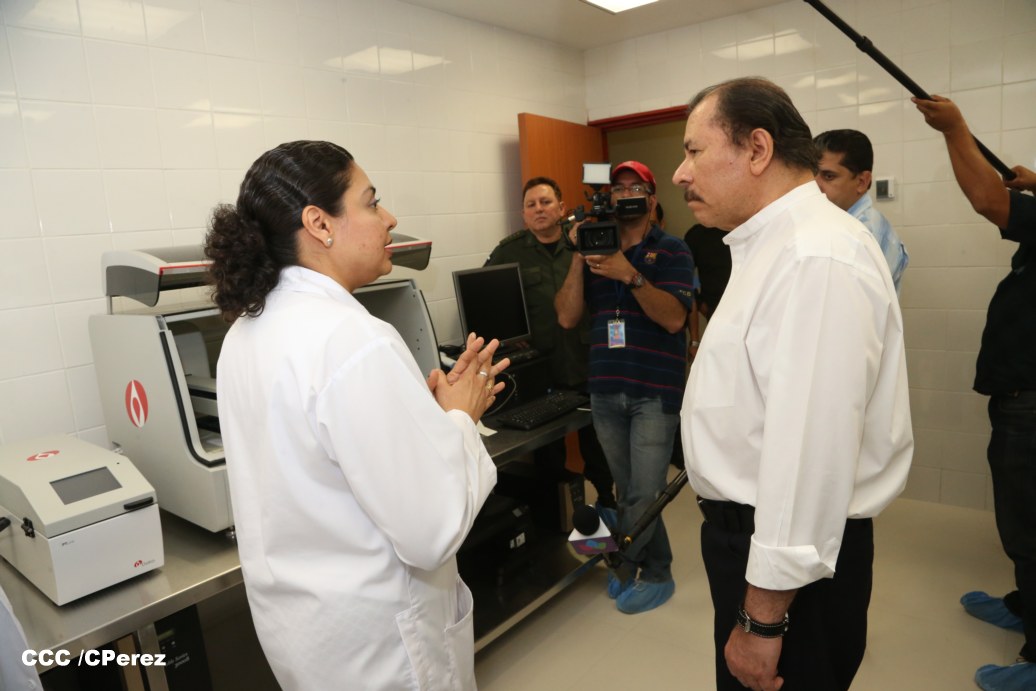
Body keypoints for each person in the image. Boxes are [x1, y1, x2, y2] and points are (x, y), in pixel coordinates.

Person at [205, 140, 508, 690]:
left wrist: (421, 420)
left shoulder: (245, 332)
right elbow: (431, 530)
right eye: (371, 202)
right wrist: (460, 419)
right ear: (319, 223)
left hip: (311, 642)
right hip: (386, 650)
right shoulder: (353, 338)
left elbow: (323, 457)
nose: (389, 219)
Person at [674, 78, 913, 691]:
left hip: (788, 568)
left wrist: (763, 620)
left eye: (694, 151)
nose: (680, 173)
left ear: (757, 149)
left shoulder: (814, 256)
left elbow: (811, 454)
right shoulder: (774, 245)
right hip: (756, 547)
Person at [913, 94, 1036, 691]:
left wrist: (954, 129)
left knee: (1029, 527)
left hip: (1031, 401)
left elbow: (988, 199)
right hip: (1019, 396)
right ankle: (1024, 604)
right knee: (1021, 522)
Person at [555, 160, 695, 614]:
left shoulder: (672, 250)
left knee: (643, 491)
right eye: (618, 189)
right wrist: (579, 257)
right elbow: (567, 316)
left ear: (652, 200)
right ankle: (649, 565)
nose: (625, 195)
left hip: (654, 390)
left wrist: (628, 274)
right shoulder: (595, 249)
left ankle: (638, 569)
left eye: (636, 188)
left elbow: (674, 319)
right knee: (629, 486)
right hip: (605, 387)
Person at [485, 177, 616, 511]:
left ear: (561, 208)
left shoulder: (585, 241)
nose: (538, 209)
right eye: (531, 205)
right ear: (523, 214)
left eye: (545, 202)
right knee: (548, 457)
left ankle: (607, 503)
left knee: (599, 448)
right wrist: (507, 337)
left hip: (588, 361)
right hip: (543, 368)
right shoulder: (509, 251)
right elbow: (487, 301)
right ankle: (560, 515)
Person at [814, 128, 909, 292]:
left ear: (862, 182)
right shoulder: (835, 223)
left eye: (828, 176)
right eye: (812, 174)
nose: (815, 185)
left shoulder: (868, 234)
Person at [682, 222, 731, 361]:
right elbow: (685, 283)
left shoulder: (751, 229)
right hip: (717, 320)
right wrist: (702, 304)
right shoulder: (698, 235)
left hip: (756, 318)